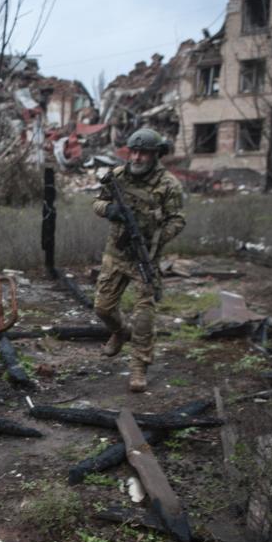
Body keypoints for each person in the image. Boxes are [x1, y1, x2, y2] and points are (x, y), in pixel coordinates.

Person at [92, 127, 185, 393]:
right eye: (133, 151)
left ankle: (138, 367)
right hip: (116, 255)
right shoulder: (119, 177)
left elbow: (177, 219)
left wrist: (156, 237)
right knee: (102, 308)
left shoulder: (168, 185)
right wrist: (110, 209)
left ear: (156, 155)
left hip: (145, 258)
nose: (136, 157)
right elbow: (97, 203)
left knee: (144, 317)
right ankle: (120, 331)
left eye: (143, 153)